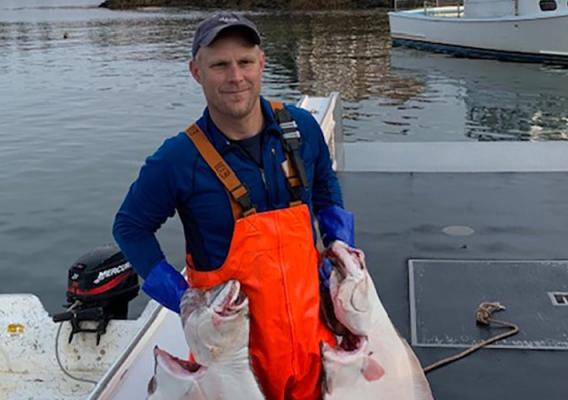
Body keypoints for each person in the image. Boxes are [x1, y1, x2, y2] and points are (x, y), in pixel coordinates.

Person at [113, 12, 356, 400]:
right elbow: (129, 228)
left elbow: (325, 186)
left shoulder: (301, 129)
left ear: (262, 62)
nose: (235, 77)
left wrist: (338, 244)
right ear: (196, 72)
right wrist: (183, 299)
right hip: (229, 362)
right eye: (219, 65)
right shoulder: (178, 159)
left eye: (244, 62)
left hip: (314, 345)